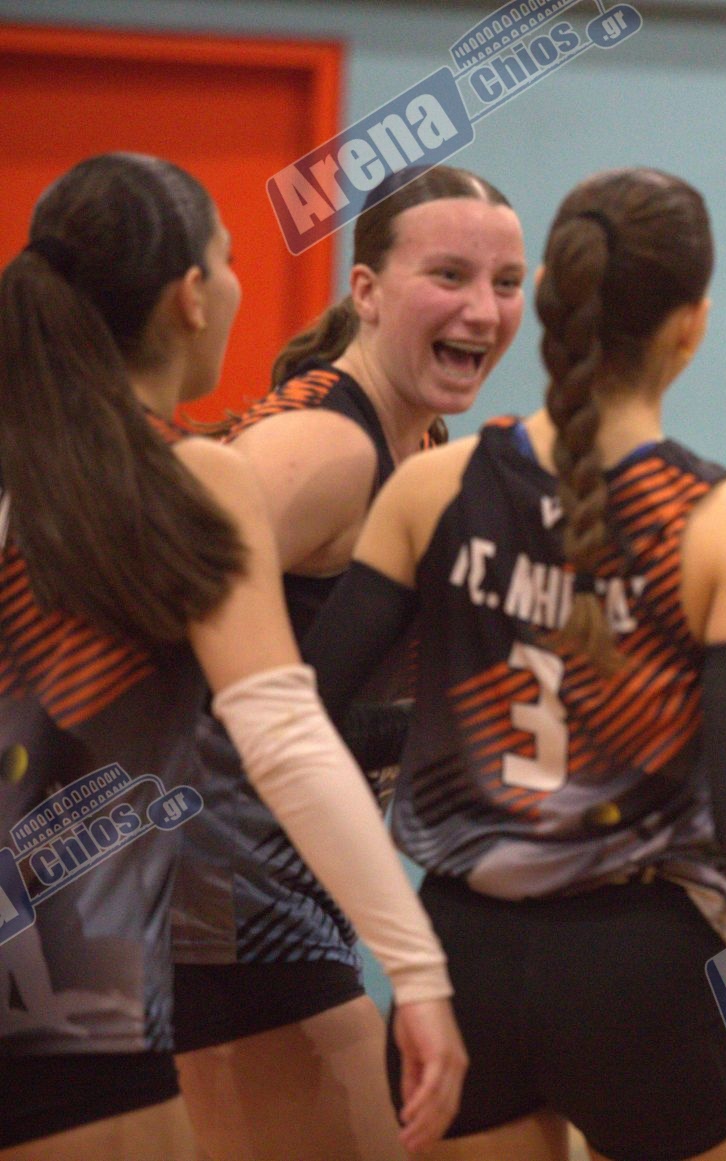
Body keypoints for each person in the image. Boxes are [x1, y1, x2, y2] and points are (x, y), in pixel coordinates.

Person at [300, 166, 726, 1161]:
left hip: (458, 950)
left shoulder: (433, 485)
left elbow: (300, 723)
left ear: (548, 301)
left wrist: (440, 734)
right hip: (634, 964)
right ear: (690, 325)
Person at [0, 153, 464, 1159]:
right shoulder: (197, 480)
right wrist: (418, 968)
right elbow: (284, 734)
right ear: (191, 295)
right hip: (76, 991)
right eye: (231, 258)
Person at [169, 163, 524, 1160]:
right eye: (448, 275)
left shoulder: (423, 445)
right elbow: (145, 639)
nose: (482, 309)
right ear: (365, 290)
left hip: (285, 891)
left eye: (505, 283)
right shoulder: (326, 446)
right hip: (215, 904)